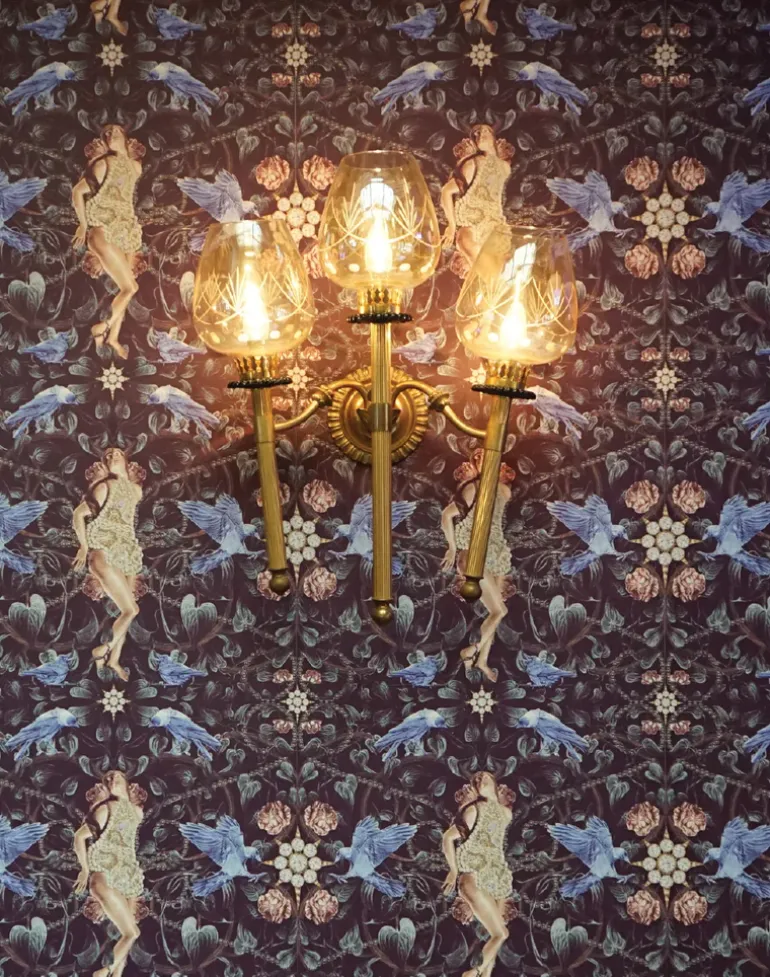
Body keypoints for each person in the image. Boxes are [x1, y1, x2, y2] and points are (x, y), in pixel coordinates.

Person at [441, 449, 515, 683]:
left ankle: (482, 660)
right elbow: (446, 515)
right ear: (478, 464)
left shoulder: (504, 491)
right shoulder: (472, 488)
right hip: (472, 553)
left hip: (495, 553)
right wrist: (452, 547)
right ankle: (471, 651)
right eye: (482, 461)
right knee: (499, 611)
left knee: (496, 612)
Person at [72, 125, 144, 359]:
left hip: (125, 230)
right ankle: (101, 328)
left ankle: (113, 337)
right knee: (130, 288)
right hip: (103, 229)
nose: (111, 135)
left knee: (126, 289)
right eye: (107, 134)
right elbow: (77, 192)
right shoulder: (103, 164)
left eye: (116, 132)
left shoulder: (135, 167)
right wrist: (83, 225)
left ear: (125, 137)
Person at [73, 448, 144, 681]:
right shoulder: (104, 487)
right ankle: (102, 650)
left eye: (117, 453)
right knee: (131, 610)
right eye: (108, 455)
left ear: (126, 461)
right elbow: (78, 514)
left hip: (127, 551)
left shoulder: (136, 491)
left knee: (127, 611)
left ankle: (114, 660)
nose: (112, 456)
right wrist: (84, 547)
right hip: (104, 550)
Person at [73, 771, 146, 977]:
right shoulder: (105, 809)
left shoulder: (137, 813)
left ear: (127, 784)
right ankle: (102, 973)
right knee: (132, 933)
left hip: (128, 877)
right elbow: (79, 837)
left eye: (117, 777)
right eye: (108, 779)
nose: (112, 780)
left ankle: (114, 974)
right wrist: (84, 869)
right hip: (105, 875)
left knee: (127, 936)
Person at [442, 772, 514, 977]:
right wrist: (453, 870)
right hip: (473, 876)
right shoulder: (473, 810)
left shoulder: (506, 814)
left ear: (495, 784)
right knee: (501, 934)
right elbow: (448, 838)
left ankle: (484, 974)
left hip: (497, 877)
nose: (480, 781)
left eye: (485, 778)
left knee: (496, 937)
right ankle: (472, 973)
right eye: (476, 780)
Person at [440, 124, 513, 271]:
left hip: (495, 226)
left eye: (485, 131)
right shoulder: (473, 164)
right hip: (472, 224)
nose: (480, 135)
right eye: (477, 134)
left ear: (493, 138)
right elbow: (446, 191)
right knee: (485, 274)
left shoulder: (505, 168)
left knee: (497, 274)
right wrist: (451, 226)